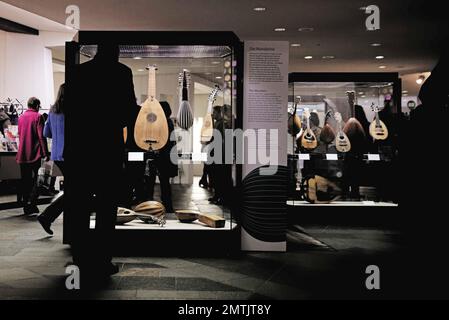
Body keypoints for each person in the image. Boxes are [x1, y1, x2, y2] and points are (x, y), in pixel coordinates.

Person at [65, 43, 136, 279]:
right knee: (107, 208)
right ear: (115, 51)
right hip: (108, 148)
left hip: (81, 149)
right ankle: (103, 261)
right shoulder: (122, 73)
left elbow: (70, 112)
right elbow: (127, 113)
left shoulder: (78, 72)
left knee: (79, 206)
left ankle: (80, 259)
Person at [37, 84, 66, 235]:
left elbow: (46, 132)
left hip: (57, 155)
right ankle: (47, 216)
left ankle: (47, 217)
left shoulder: (53, 110)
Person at [16, 97, 49, 215]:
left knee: (25, 180)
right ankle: (32, 203)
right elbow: (41, 136)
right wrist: (45, 153)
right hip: (35, 153)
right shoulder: (38, 116)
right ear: (36, 105)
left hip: (23, 153)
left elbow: (19, 134)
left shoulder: (21, 117)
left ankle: (26, 206)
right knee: (39, 179)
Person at [146, 101, 177, 213]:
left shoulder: (165, 122)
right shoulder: (168, 122)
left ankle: (153, 205)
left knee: (155, 181)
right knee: (163, 183)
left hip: (162, 157)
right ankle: (166, 206)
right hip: (164, 157)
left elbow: (162, 140)